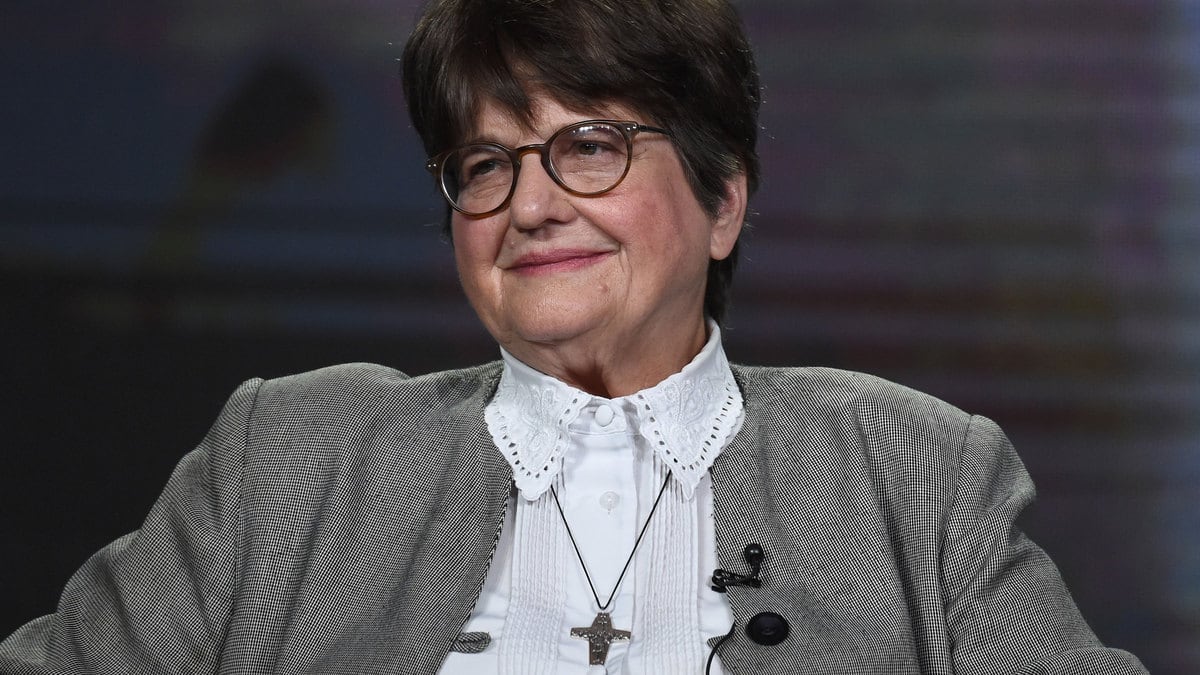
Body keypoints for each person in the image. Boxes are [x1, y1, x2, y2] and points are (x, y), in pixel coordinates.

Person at [0, 0, 1150, 673]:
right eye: (485, 164)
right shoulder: (290, 456)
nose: (532, 203)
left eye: (589, 144)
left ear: (724, 202)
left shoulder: (915, 469)